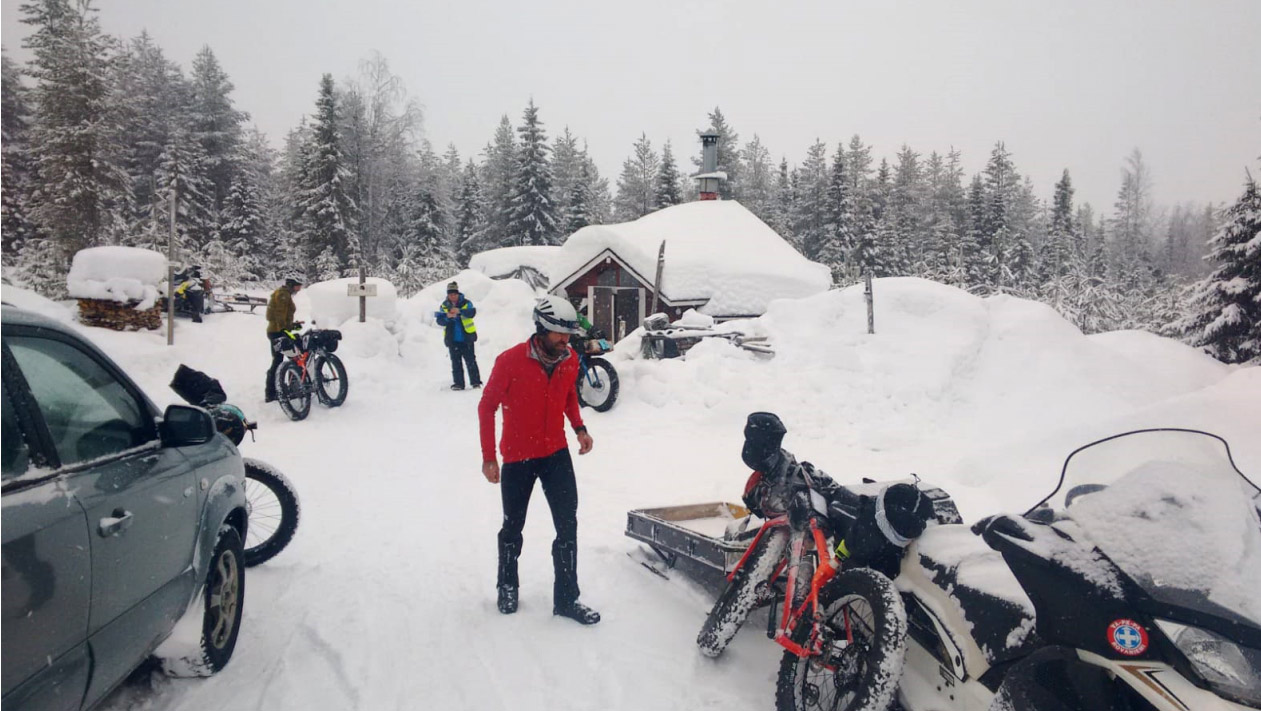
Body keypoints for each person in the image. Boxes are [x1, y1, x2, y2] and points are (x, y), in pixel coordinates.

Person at [478, 295, 599, 624]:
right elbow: (486, 407)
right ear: (541, 329)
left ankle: (566, 599)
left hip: (556, 454)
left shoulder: (569, 359)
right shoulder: (510, 361)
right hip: (518, 457)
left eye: (569, 334)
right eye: (560, 334)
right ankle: (507, 585)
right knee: (513, 527)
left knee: (567, 525)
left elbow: (569, 395)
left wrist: (579, 428)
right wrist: (489, 457)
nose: (566, 340)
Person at [435, 281, 481, 390]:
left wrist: (460, 311)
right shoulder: (444, 306)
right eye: (450, 294)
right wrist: (447, 317)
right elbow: (439, 321)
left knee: (471, 361)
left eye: (454, 294)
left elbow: (472, 312)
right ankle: (459, 383)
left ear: (458, 293)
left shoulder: (466, 303)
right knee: (456, 363)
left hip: (467, 338)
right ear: (448, 295)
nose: (453, 296)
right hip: (452, 339)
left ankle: (475, 382)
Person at [264, 277, 303, 403]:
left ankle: (278, 389)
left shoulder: (284, 293)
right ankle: (272, 392)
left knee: (283, 359)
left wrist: (292, 324)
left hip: (278, 331)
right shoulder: (283, 295)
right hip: (278, 332)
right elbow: (279, 315)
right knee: (281, 361)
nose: (299, 289)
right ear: (292, 285)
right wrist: (286, 328)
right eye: (298, 286)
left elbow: (282, 316)